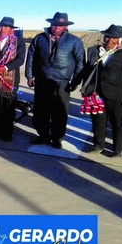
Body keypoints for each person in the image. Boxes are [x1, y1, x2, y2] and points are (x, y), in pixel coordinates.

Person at [26, 12, 85, 148]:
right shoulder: (40, 38)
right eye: (54, 24)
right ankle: (43, 135)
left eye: (60, 25)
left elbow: (80, 63)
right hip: (42, 81)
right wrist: (29, 76)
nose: (56, 27)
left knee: (59, 112)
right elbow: (31, 57)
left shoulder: (74, 41)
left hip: (61, 83)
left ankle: (57, 138)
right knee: (41, 111)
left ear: (65, 27)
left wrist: (75, 82)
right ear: (51, 24)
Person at [79, 24, 122, 158]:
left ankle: (118, 150)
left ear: (120, 40)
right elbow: (86, 70)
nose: (110, 41)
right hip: (96, 93)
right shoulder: (93, 51)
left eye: (114, 38)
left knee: (117, 123)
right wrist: (79, 85)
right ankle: (98, 146)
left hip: (117, 94)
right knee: (98, 121)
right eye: (108, 37)